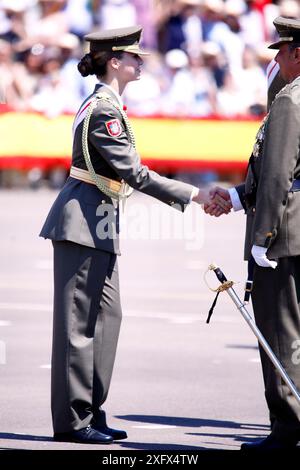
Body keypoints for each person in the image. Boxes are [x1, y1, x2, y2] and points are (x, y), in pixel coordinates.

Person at [39, 25, 229, 445]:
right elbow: (135, 173)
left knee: (107, 319)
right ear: (114, 62)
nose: (140, 62)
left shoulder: (110, 104)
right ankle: (72, 421)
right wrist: (197, 196)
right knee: (78, 325)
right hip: (81, 223)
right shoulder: (104, 109)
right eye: (134, 57)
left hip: (100, 221)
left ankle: (91, 408)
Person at [207, 16, 300, 450]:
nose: (277, 59)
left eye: (282, 51)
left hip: (285, 232)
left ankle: (287, 429)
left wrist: (262, 236)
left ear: (298, 53)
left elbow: (280, 174)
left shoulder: (290, 101)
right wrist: (239, 194)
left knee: (281, 334)